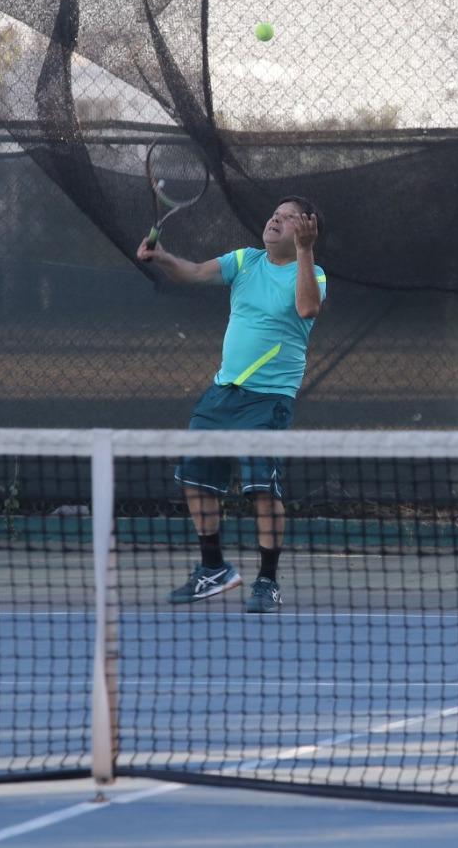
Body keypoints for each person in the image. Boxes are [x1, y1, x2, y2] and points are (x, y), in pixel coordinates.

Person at [136, 197, 325, 614]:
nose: (275, 218)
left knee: (262, 491)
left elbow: (308, 307)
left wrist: (305, 251)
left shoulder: (312, 273)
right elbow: (193, 272)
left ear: (305, 229)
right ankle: (213, 569)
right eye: (274, 213)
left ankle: (267, 581)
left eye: (288, 217)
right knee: (194, 479)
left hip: (268, 400)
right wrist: (162, 257)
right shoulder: (244, 261)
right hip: (222, 394)